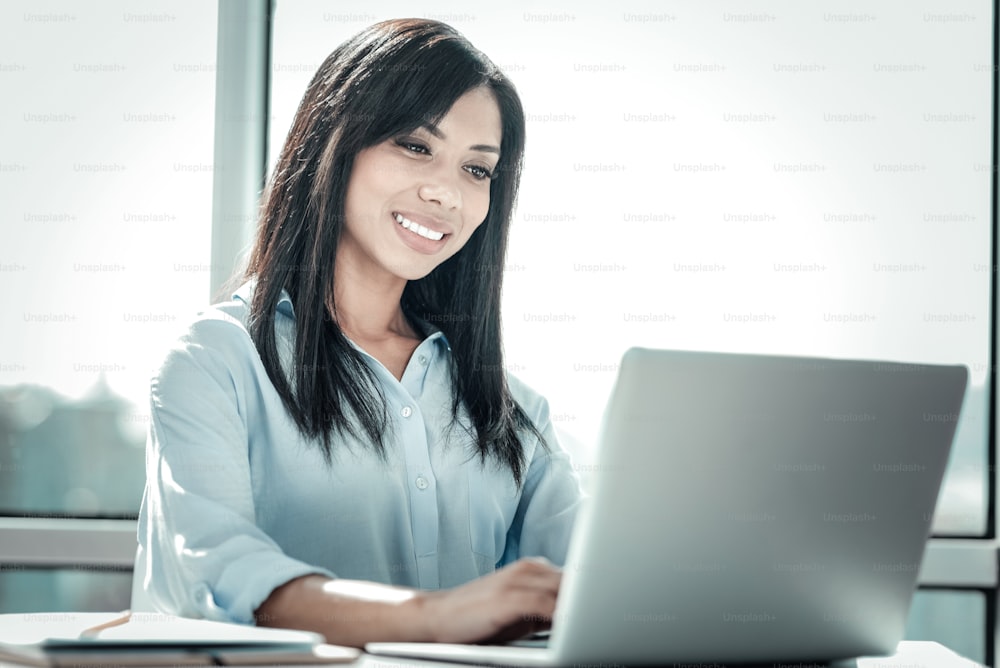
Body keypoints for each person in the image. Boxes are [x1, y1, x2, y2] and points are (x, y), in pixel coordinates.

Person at [135, 18, 582, 648]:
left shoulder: (513, 409)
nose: (446, 193)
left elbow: (591, 588)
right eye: (416, 146)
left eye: (478, 171)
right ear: (333, 144)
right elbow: (220, 573)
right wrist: (437, 616)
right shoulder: (216, 361)